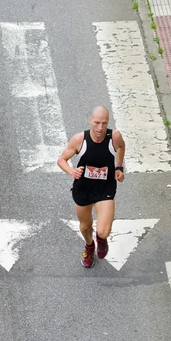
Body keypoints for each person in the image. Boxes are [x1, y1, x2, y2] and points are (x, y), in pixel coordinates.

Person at [57, 105, 126, 268]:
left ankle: (101, 240)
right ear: (90, 120)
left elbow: (121, 147)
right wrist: (72, 172)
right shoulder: (79, 140)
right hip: (84, 189)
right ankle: (89, 246)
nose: (100, 128)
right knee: (85, 225)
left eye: (104, 123)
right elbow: (61, 160)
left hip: (105, 188)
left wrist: (119, 167)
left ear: (108, 122)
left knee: (103, 231)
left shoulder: (114, 137)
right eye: (96, 123)